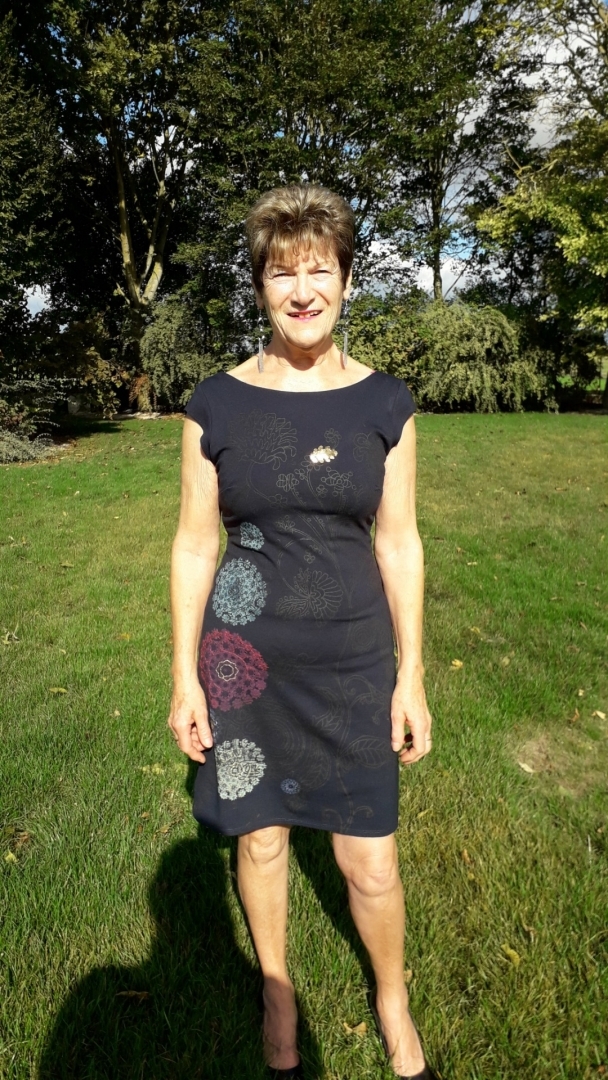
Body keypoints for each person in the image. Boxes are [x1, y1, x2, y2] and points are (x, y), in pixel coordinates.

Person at [168, 185, 437, 1080]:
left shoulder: (386, 404)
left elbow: (399, 544)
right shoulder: (215, 404)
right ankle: (277, 993)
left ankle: (391, 999)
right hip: (245, 666)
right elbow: (194, 544)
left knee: (371, 862)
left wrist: (412, 675)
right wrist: (184, 676)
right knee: (262, 839)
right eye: (282, 273)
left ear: (347, 281)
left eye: (319, 270)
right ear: (259, 288)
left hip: (354, 664)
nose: (302, 290)